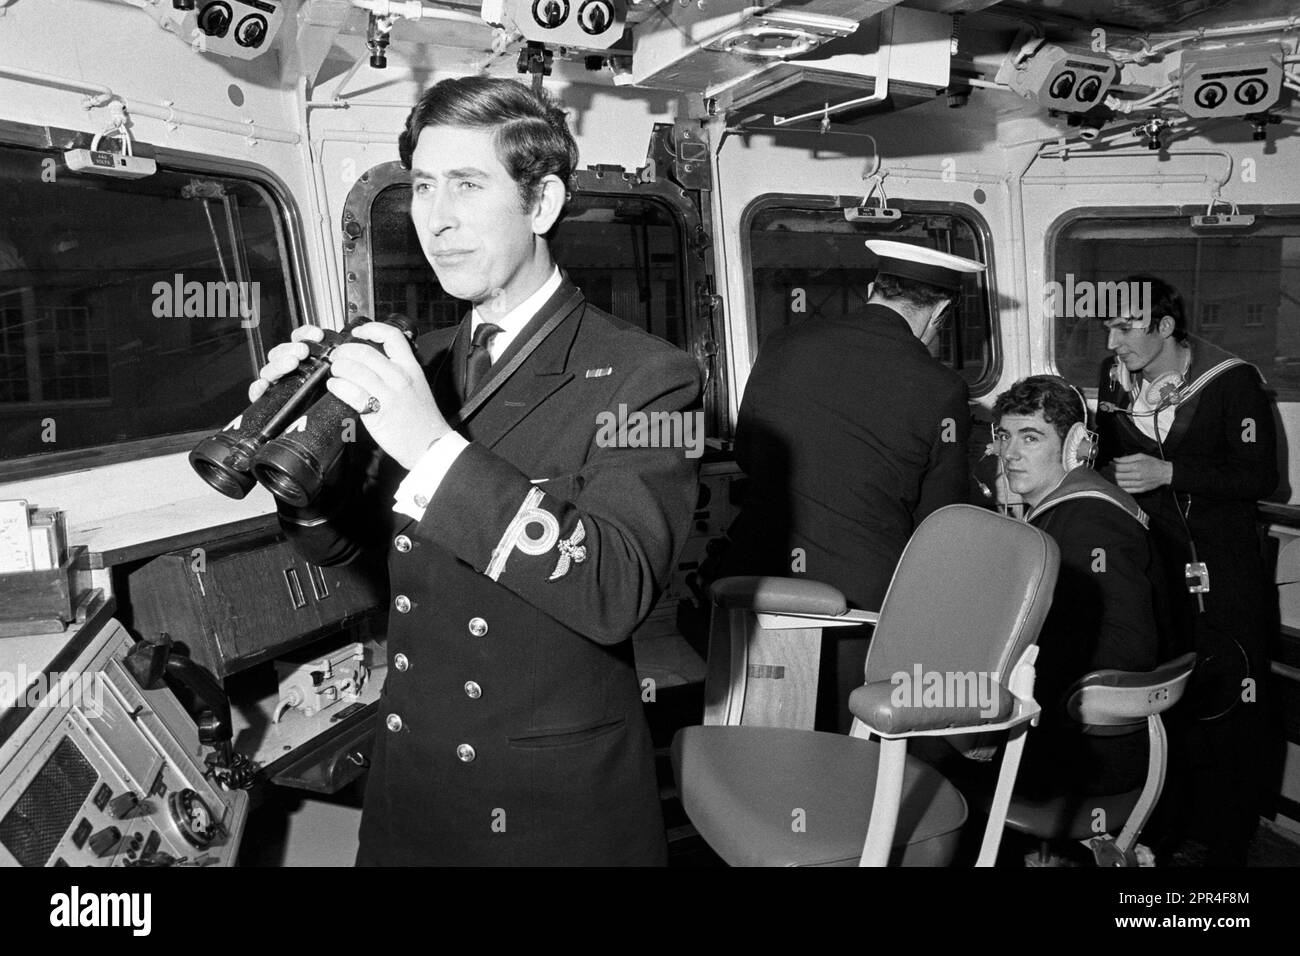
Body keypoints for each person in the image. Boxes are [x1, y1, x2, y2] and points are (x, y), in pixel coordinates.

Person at [249, 77, 701, 865]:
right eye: (423, 186)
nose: (436, 218)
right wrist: (303, 481)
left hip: (543, 796)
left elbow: (616, 589)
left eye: (467, 184)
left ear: (544, 203)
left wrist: (431, 450)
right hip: (412, 775)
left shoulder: (650, 376)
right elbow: (365, 554)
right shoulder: (422, 362)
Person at [721, 240, 983, 732]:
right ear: (941, 311)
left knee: (766, 730)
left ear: (871, 290)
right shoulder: (941, 387)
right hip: (860, 606)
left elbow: (746, 455)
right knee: (845, 745)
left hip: (758, 582)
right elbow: (940, 520)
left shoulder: (782, 344)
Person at [1094, 275, 1277, 865]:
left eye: (1124, 327)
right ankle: (1165, 822)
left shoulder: (1234, 381)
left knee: (1235, 698)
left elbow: (1260, 478)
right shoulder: (1114, 382)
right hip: (1156, 568)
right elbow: (1106, 461)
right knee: (1167, 697)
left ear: (1165, 327)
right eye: (1107, 328)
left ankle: (1227, 838)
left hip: (1224, 569)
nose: (1112, 340)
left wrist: (1171, 475)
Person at [992, 376, 1161, 795]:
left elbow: (1128, 647)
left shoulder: (1090, 518)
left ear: (1076, 447)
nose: (1009, 454)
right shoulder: (1065, 510)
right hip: (1075, 730)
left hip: (1089, 749)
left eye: (1030, 438)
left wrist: (1002, 697)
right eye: (1004, 436)